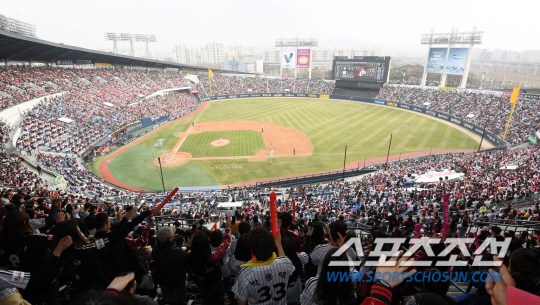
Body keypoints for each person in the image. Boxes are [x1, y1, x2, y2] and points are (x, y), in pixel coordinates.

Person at [232, 226, 295, 305]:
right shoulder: (285, 264)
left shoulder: (245, 273)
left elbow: (241, 302)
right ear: (273, 245)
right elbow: (284, 259)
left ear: (251, 249)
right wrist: (278, 245)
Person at [187, 219, 231, 305]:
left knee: (206, 297)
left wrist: (189, 247)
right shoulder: (213, 257)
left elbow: (189, 254)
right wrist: (227, 229)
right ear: (207, 244)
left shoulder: (189, 256)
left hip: (201, 283)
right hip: (215, 283)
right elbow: (225, 243)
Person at [151, 226, 187, 305]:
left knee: (168, 298)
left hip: (163, 279)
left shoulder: (155, 249)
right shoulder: (178, 252)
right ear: (170, 238)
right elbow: (186, 262)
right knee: (181, 299)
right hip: (178, 280)